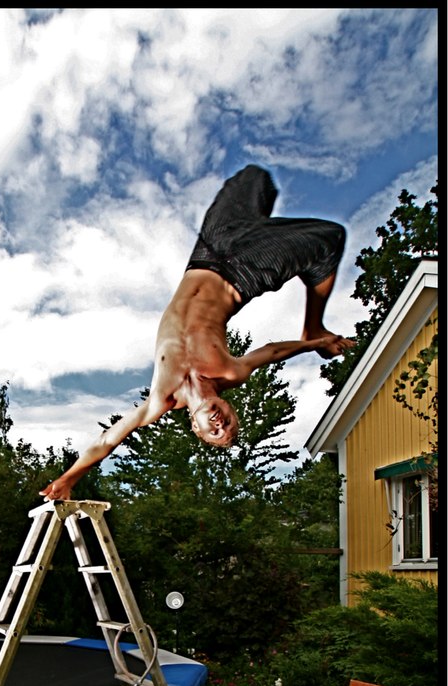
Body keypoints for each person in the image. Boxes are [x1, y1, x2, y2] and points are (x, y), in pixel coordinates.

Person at [40, 163, 355, 502]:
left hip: (218, 260)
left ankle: (305, 303)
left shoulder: (160, 401)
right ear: (229, 408)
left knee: (328, 239)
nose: (221, 424)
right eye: (229, 424)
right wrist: (313, 344)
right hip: (237, 262)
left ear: (196, 427)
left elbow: (106, 442)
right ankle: (312, 324)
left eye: (215, 431)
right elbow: (273, 351)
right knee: (254, 178)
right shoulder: (231, 371)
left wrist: (69, 478)